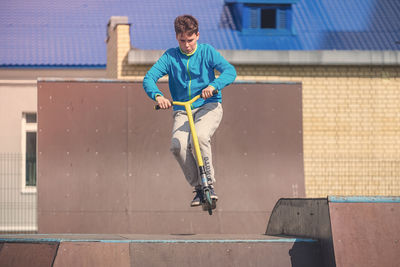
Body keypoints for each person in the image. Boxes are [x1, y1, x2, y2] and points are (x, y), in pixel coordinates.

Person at [143, 14, 236, 207]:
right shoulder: (170, 57)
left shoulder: (207, 52)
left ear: (198, 36)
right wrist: (158, 96)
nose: (187, 45)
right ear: (177, 38)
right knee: (177, 146)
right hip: (182, 110)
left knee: (200, 137)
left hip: (208, 105)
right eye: (182, 40)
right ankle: (200, 189)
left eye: (190, 40)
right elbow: (149, 78)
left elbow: (229, 71)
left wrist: (214, 85)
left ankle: (209, 184)